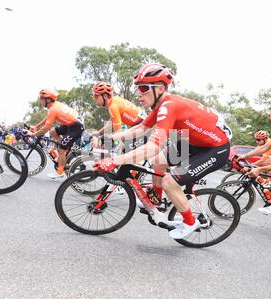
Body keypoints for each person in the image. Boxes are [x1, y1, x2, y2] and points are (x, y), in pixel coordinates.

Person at [93, 63, 232, 239]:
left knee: (169, 182)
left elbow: (152, 146)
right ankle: (157, 202)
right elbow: (142, 127)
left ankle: (190, 221)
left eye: (143, 89)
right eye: (138, 89)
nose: (139, 94)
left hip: (215, 149)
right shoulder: (162, 104)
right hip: (193, 140)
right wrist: (112, 137)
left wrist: (114, 161)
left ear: (159, 88)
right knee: (158, 161)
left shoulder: (169, 106)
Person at [27, 89, 84, 179]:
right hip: (70, 124)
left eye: (42, 98)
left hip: (76, 127)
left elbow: (45, 128)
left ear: (48, 100)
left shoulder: (53, 109)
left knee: (61, 150)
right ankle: (65, 148)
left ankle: (60, 171)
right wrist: (37, 126)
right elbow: (48, 118)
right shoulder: (54, 106)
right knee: (52, 132)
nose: (40, 100)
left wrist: (33, 134)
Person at [91, 81, 146, 152]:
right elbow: (111, 122)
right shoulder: (114, 101)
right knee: (122, 151)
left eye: (96, 95)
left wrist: (102, 140)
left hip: (144, 130)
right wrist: (99, 133)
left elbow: (118, 131)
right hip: (141, 127)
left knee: (123, 153)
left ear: (105, 96)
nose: (94, 98)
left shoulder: (113, 107)